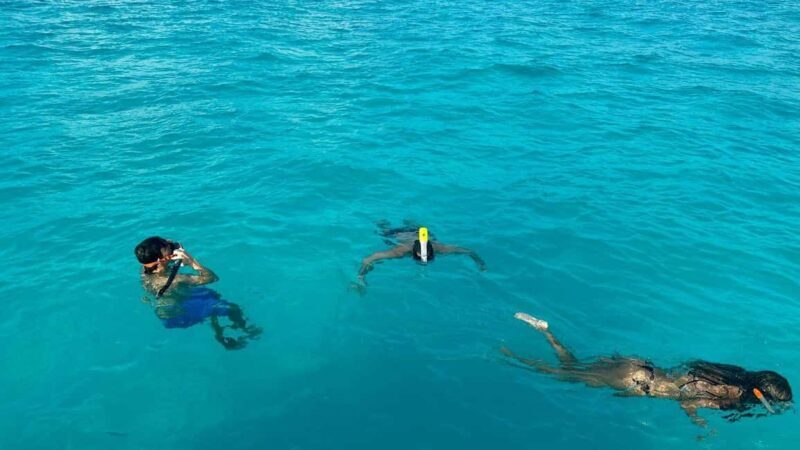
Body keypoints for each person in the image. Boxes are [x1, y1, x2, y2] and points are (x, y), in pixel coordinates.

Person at [502, 312, 792, 426]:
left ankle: (546, 332)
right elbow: (689, 400)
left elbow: (688, 377)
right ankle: (508, 355)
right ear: (759, 395)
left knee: (573, 368)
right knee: (560, 375)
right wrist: (698, 423)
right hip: (636, 382)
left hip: (641, 366)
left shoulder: (733, 372)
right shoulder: (730, 395)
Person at [134, 236, 261, 350]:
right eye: (167, 247)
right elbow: (212, 278)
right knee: (232, 308)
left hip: (167, 308)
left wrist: (168, 249)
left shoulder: (146, 268)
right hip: (179, 315)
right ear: (160, 259)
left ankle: (217, 329)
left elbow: (169, 246)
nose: (170, 246)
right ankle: (242, 331)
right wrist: (191, 261)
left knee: (211, 296)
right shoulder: (175, 280)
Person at [354, 221, 487, 289]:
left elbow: (469, 251)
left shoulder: (439, 248)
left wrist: (481, 264)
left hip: (418, 231)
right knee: (383, 229)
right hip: (397, 235)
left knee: (413, 225)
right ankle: (382, 223)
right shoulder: (400, 251)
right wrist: (361, 277)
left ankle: (402, 223)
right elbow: (369, 259)